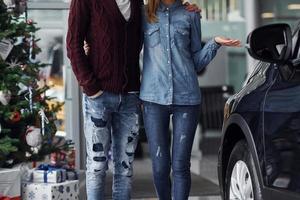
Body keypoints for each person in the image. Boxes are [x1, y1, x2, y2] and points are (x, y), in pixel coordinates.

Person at [67, 0, 200, 199]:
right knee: (97, 166)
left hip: (130, 96)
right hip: (98, 97)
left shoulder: (138, 4)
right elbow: (73, 44)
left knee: (125, 168)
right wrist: (90, 85)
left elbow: (142, 36)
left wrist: (183, 8)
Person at [140, 0, 241, 199]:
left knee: (180, 165)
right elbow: (127, 50)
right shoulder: (143, 15)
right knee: (160, 167)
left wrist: (215, 43)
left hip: (186, 99)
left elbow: (196, 61)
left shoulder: (190, 15)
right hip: (153, 99)